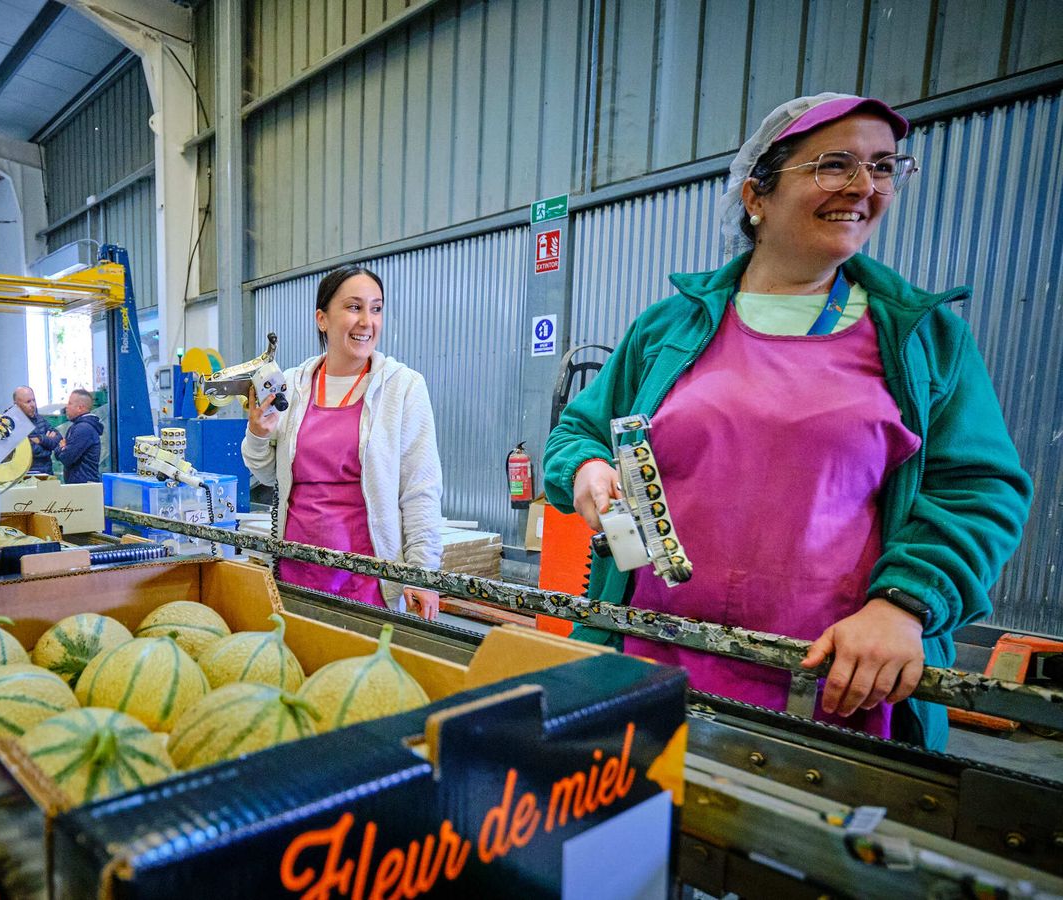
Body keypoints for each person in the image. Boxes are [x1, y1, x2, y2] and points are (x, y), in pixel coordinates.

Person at [543, 93, 1031, 749]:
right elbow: (578, 434)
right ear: (756, 195)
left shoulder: (922, 338)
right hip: (652, 662)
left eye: (884, 167)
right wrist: (588, 469)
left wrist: (904, 604)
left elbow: (980, 489)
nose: (864, 187)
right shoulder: (671, 328)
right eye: (835, 165)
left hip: (833, 690)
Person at [242, 265, 444, 621]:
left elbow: (420, 489)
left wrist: (423, 572)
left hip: (369, 581)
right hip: (295, 574)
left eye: (376, 308)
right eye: (354, 308)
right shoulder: (292, 385)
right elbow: (269, 476)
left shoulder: (403, 388)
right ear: (322, 319)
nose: (367, 321)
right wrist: (258, 434)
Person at [57, 388, 104, 484]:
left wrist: (62, 448)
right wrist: (63, 449)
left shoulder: (83, 429)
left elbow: (66, 458)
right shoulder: (77, 427)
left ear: (80, 408)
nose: (66, 407)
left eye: (70, 403)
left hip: (83, 488)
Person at [13, 385, 60, 475]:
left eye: (34, 400)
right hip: (26, 477)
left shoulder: (40, 420)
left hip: (46, 474)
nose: (33, 405)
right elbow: (27, 451)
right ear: (17, 405)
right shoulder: (11, 424)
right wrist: (48, 449)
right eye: (28, 402)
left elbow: (58, 439)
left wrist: (41, 439)